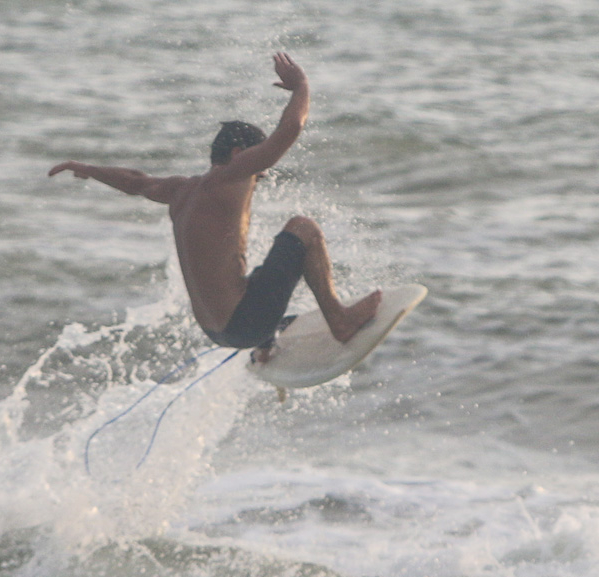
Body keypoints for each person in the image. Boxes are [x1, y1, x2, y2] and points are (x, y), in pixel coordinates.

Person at [49, 52, 380, 361]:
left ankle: (265, 346)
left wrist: (90, 170)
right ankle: (339, 319)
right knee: (303, 228)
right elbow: (289, 129)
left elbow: (136, 182)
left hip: (214, 331)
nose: (260, 177)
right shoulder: (231, 177)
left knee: (245, 275)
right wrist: (302, 87)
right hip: (243, 324)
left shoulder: (180, 191)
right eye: (258, 170)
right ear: (239, 155)